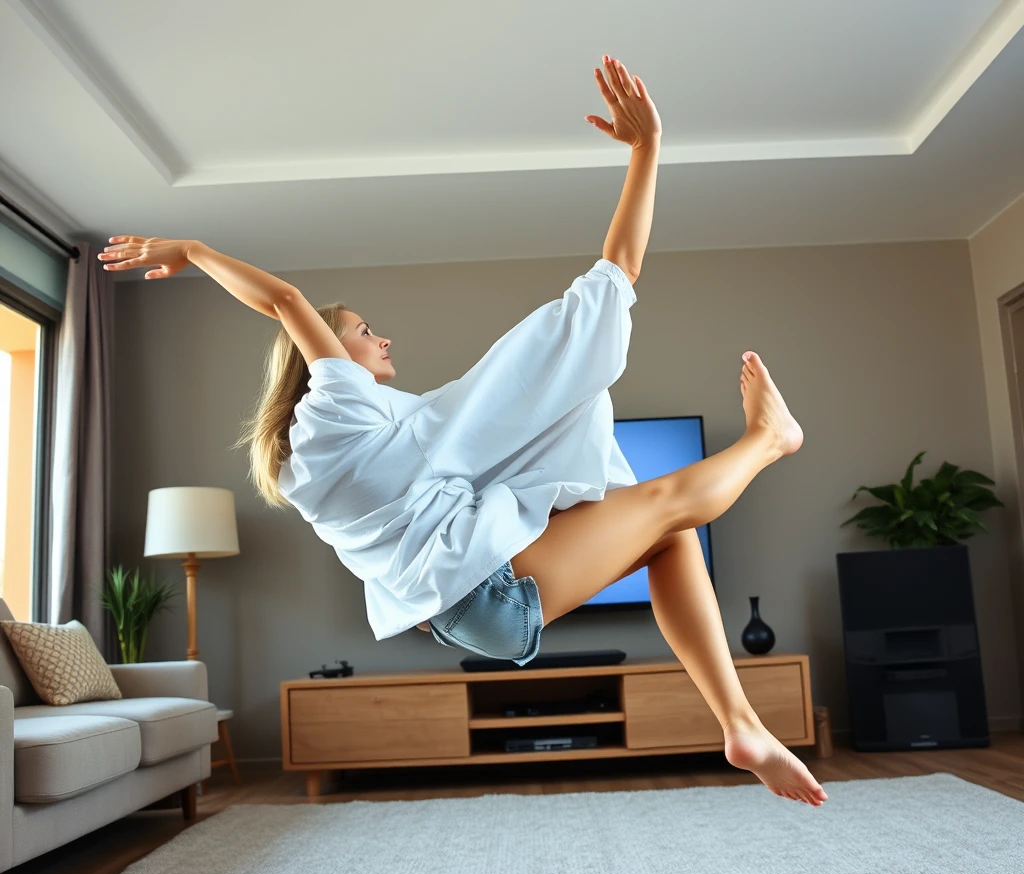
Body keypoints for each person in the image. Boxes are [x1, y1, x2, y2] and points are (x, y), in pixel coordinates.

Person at [98, 55, 826, 807]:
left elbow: (461, 454)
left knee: (669, 537)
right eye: (361, 330)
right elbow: (285, 299)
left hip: (468, 612)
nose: (380, 339)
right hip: (487, 593)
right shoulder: (334, 407)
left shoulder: (331, 455)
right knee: (672, 500)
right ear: (324, 360)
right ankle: (770, 439)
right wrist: (193, 251)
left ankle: (739, 725)